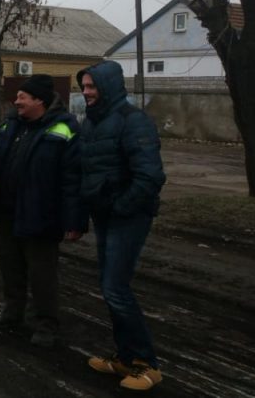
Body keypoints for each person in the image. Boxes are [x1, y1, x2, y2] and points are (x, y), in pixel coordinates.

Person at [0, 74, 85, 348]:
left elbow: (74, 178)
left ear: (40, 101)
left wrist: (75, 219)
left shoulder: (65, 128)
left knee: (41, 272)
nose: (17, 101)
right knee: (10, 265)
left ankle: (46, 324)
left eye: (23, 97)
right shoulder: (11, 123)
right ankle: (12, 313)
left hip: (42, 214)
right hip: (8, 211)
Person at [78, 60, 166, 391]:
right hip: (105, 215)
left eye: (91, 86)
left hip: (128, 217)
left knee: (116, 288)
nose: (86, 92)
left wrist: (121, 206)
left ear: (109, 87)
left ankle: (147, 365)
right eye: (84, 87)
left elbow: (150, 176)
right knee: (109, 286)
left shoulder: (134, 122)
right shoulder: (91, 124)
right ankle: (125, 358)